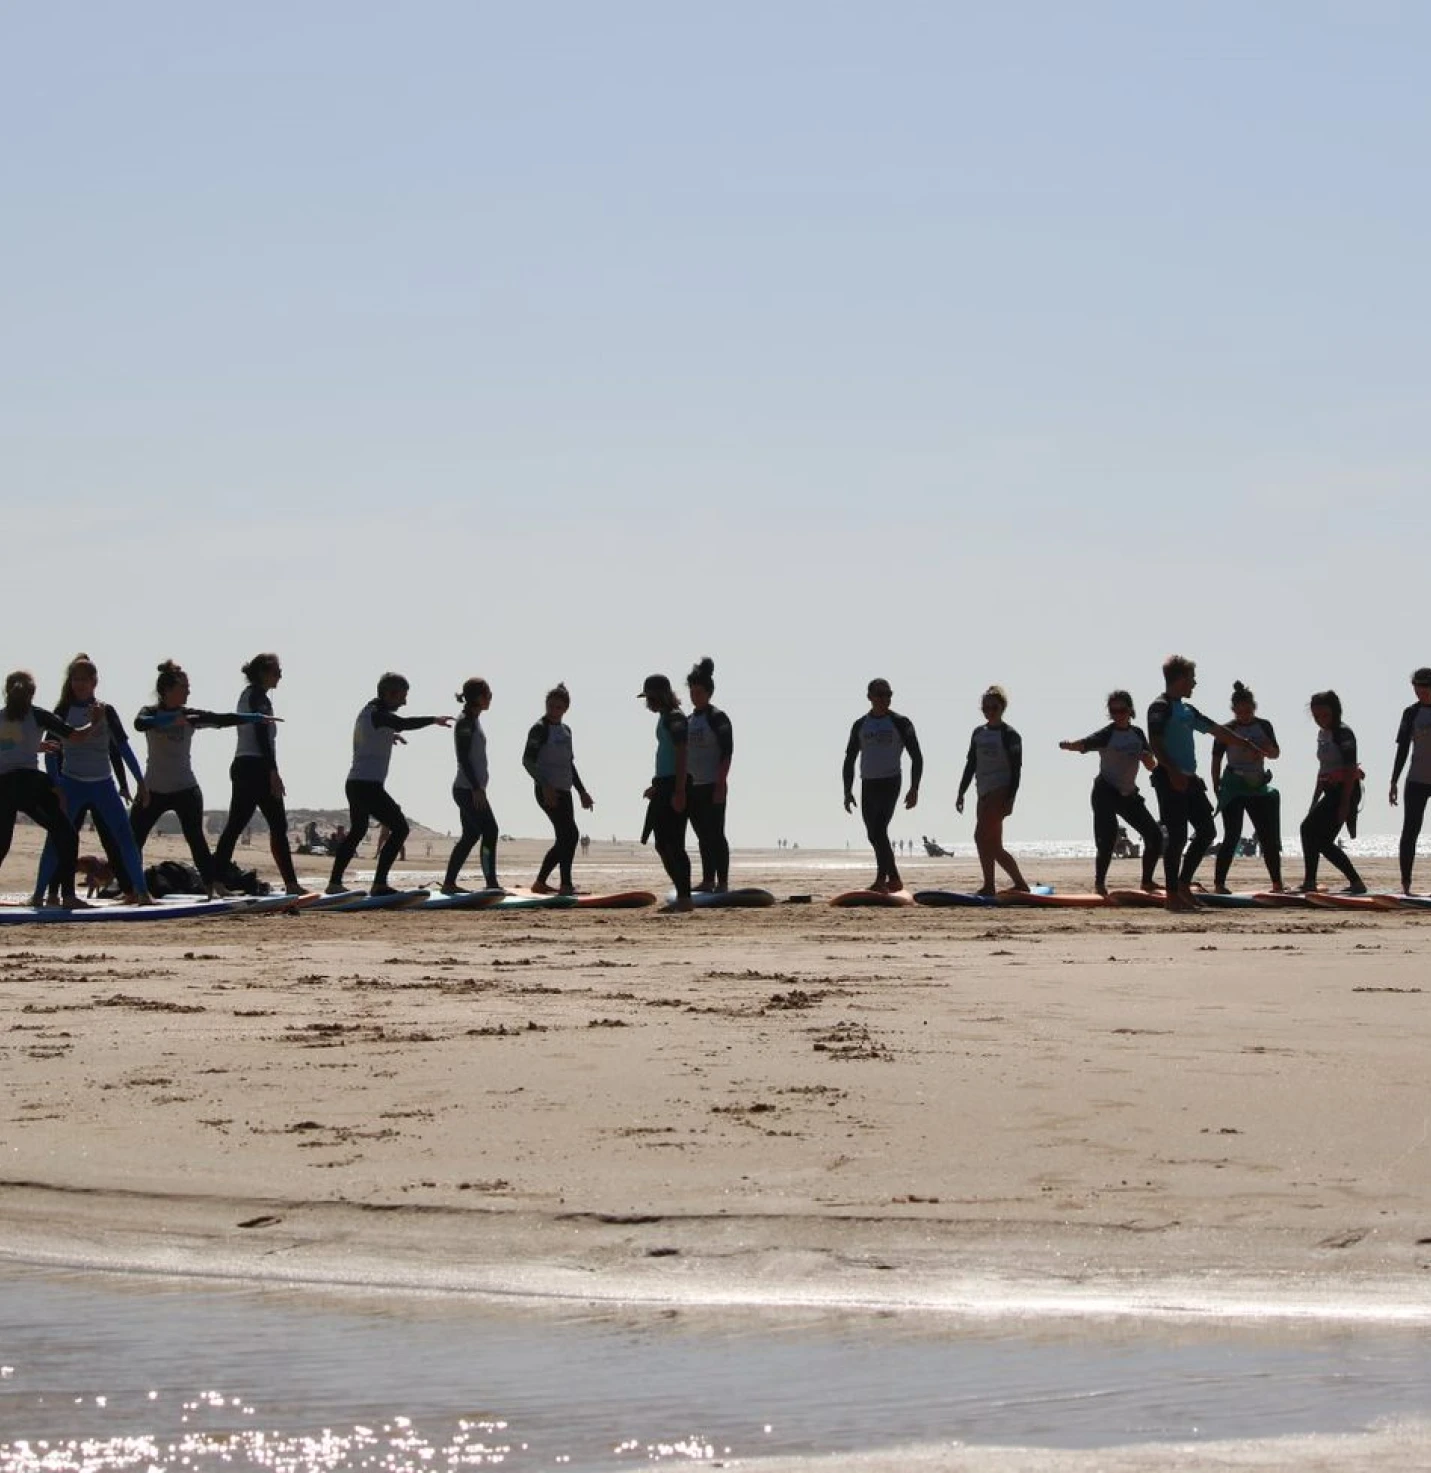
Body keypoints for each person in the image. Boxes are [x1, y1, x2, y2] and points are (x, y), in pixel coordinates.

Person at [132, 660, 275, 898]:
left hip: (185, 788)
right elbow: (139, 724)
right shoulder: (150, 713)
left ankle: (213, 887)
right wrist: (169, 721)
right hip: (153, 789)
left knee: (196, 840)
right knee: (133, 839)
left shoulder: (190, 715)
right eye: (184, 686)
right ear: (168, 690)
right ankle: (134, 888)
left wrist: (254, 717)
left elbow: (221, 719)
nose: (189, 690)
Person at [1146, 655, 1267, 911]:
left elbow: (1217, 730)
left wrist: (1246, 744)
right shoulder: (1159, 707)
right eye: (1191, 678)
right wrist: (1172, 771)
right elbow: (1155, 742)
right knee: (1177, 836)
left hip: (1190, 779)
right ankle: (1171, 896)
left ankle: (1182, 885)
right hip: (1169, 779)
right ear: (1179, 679)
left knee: (1207, 831)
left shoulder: (1188, 710)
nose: (1195, 683)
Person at [32, 654, 154, 907]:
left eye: (84, 680)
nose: (79, 684)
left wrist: (139, 782)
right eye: (75, 679)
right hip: (71, 784)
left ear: (94, 682)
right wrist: (55, 785)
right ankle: (38, 894)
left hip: (103, 785)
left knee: (124, 837)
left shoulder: (106, 711)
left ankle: (141, 892)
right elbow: (52, 750)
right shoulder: (63, 710)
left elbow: (123, 749)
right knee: (56, 840)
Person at [325, 673, 452, 895]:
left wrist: (388, 736)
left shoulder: (369, 712)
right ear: (389, 694)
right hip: (367, 785)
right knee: (400, 828)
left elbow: (375, 733)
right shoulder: (377, 713)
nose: (404, 702)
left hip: (357, 783)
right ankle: (379, 884)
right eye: (402, 697)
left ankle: (335, 883)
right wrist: (433, 720)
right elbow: (402, 723)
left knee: (357, 831)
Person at [210, 653, 304, 896]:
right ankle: (291, 884)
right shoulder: (257, 697)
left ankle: (217, 881)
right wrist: (273, 771)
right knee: (273, 825)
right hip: (255, 767)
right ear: (263, 673)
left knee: (238, 825)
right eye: (276, 672)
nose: (280, 676)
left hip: (246, 765)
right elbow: (261, 736)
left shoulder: (251, 695)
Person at [0, 670, 95, 909]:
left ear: (6, 692)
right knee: (67, 835)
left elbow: (10, 744)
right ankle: (68, 895)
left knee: (1, 844)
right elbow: (77, 736)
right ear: (32, 694)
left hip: (3, 787)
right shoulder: (38, 715)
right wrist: (97, 720)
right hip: (30, 785)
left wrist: (34, 745)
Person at [1058, 688, 1162, 896]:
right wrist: (1070, 745)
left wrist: (1148, 760)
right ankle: (1100, 884)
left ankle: (1147, 882)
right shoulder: (1108, 734)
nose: (1118, 714)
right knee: (1107, 839)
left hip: (1128, 794)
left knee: (1155, 836)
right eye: (1113, 711)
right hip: (1105, 792)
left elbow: (1152, 765)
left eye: (1122, 710)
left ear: (1130, 710)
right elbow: (1085, 744)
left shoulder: (1138, 734)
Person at [841, 678, 921, 893]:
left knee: (879, 829)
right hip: (868, 783)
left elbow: (917, 757)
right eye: (879, 694)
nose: (884, 699)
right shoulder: (860, 725)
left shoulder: (900, 722)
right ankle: (894, 878)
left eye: (888, 694)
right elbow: (849, 758)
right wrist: (847, 791)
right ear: (869, 697)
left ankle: (881, 880)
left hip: (890, 781)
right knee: (873, 834)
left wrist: (914, 789)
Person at [1211, 680, 1284, 893]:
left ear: (1254, 707)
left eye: (1248, 710)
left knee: (1266, 835)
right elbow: (1216, 759)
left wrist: (1262, 748)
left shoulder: (1264, 725)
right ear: (1233, 710)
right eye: (1240, 711)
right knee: (1232, 835)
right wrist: (1216, 784)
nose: (1244, 715)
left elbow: (1276, 753)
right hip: (1233, 785)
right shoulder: (1227, 729)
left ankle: (1277, 884)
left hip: (1257, 785)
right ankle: (1219, 884)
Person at [957, 685, 1030, 896]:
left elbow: (1017, 770)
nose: (989, 711)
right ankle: (1020, 883)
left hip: (1001, 789)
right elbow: (971, 763)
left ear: (1002, 708)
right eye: (985, 708)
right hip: (983, 791)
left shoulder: (1011, 735)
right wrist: (961, 791)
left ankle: (989, 885)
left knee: (980, 836)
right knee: (994, 846)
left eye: (994, 707)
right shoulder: (978, 733)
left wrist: (1011, 798)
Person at [1292, 690, 1367, 894]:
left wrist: (1345, 804)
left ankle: (1310, 882)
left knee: (1307, 829)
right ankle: (1356, 883)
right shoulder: (1322, 734)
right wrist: (1315, 799)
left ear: (1335, 711)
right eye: (1316, 716)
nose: (1320, 720)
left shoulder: (1344, 733)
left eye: (1325, 715)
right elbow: (1323, 768)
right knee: (1322, 841)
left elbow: (1351, 770)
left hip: (1346, 791)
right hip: (1330, 791)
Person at [522, 683, 593, 894]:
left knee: (567, 836)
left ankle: (542, 882)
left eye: (558, 707)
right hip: (547, 791)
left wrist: (582, 791)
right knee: (569, 834)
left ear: (565, 709)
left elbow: (569, 764)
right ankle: (565, 884)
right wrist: (545, 785)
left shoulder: (566, 731)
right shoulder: (539, 729)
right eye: (550, 706)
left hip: (565, 790)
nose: (553, 710)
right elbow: (527, 760)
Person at [640, 673, 693, 910]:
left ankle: (684, 897)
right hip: (665, 785)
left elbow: (682, 753)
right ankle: (683, 893)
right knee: (662, 844)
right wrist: (657, 786)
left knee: (674, 844)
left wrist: (679, 790)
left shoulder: (675, 718)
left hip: (676, 785)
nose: (647, 703)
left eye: (650, 698)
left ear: (659, 696)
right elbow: (667, 756)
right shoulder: (664, 717)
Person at [442, 677, 499, 893]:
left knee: (471, 835)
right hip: (467, 789)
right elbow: (463, 757)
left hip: (470, 789)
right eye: (488, 694)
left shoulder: (474, 719)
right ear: (477, 697)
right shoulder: (465, 721)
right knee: (490, 830)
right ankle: (491, 883)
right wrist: (476, 787)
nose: (490, 699)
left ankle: (449, 883)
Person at [685, 656, 734, 893]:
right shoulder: (689, 720)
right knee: (702, 836)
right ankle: (707, 880)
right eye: (692, 691)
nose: (695, 695)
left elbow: (727, 752)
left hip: (713, 785)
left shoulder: (718, 718)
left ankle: (722, 882)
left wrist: (720, 783)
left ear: (709, 692)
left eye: (699, 691)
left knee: (716, 835)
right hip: (693, 787)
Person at [1388, 667, 1431, 894]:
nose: (1420, 692)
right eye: (1416, 688)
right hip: (1416, 779)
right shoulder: (1411, 713)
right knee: (1410, 831)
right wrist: (1394, 780)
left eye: (1424, 688)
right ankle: (1406, 885)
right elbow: (1403, 748)